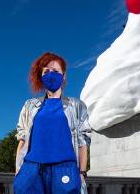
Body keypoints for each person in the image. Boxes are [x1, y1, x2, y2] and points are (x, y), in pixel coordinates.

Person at [13, 52, 92, 194]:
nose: (51, 75)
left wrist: (82, 172)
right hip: (32, 170)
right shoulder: (30, 105)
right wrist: (18, 170)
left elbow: (83, 142)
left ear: (64, 76)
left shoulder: (76, 105)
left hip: (64, 169)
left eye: (55, 71)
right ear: (41, 76)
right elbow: (22, 139)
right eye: (46, 71)